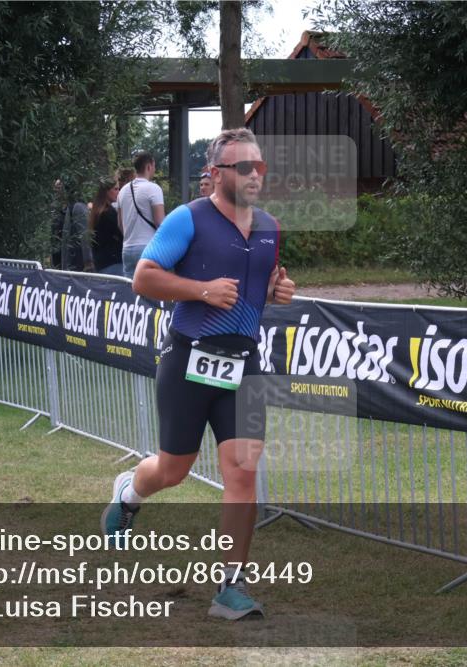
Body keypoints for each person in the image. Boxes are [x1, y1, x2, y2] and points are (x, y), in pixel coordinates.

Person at [101, 128, 296, 620]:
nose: (254, 175)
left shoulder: (270, 228)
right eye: (243, 167)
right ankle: (129, 492)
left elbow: (259, 288)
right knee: (174, 470)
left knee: (242, 472)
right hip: (188, 358)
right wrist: (202, 290)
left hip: (243, 363)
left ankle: (230, 586)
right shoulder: (187, 219)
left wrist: (277, 291)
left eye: (259, 166)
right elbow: (143, 278)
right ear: (215, 173)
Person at [117, 152, 164, 278]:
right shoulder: (154, 189)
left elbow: (120, 224)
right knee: (151, 287)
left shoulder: (122, 191)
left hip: (127, 248)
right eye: (154, 166)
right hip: (148, 247)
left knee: (130, 287)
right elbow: (160, 223)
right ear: (149, 166)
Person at [53, 177, 93, 272]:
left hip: (74, 264)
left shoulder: (75, 207)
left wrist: (88, 262)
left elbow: (84, 236)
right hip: (72, 265)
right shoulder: (72, 208)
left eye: (60, 187)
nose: (57, 191)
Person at [88, 179, 123, 275]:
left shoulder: (96, 212)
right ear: (106, 191)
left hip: (100, 263)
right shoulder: (108, 213)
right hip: (113, 262)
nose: (118, 192)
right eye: (115, 189)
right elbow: (122, 233)